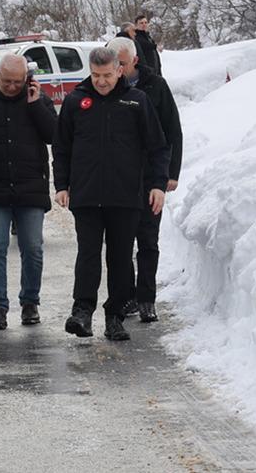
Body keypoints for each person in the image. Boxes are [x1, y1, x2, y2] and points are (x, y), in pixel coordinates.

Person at [53, 46, 169, 341]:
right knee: (88, 253)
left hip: (126, 194)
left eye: (107, 75)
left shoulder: (137, 101)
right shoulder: (76, 101)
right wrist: (62, 185)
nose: (101, 81)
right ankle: (82, 311)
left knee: (119, 257)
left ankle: (115, 314)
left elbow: (157, 147)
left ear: (120, 70)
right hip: (87, 193)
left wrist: (157, 184)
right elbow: (62, 148)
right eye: (95, 75)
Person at [0, 54, 57, 331]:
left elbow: (54, 135)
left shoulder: (38, 100)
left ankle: (30, 302)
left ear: (26, 79)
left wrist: (35, 106)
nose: (11, 86)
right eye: (6, 81)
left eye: (17, 82)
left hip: (30, 186)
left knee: (32, 248)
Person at [107, 37, 182, 324]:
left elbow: (172, 131)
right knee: (121, 241)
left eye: (122, 64)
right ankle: (126, 296)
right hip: (120, 178)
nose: (118, 69)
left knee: (148, 240)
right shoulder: (108, 88)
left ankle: (147, 298)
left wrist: (170, 175)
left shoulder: (156, 86)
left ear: (134, 61)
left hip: (151, 175)